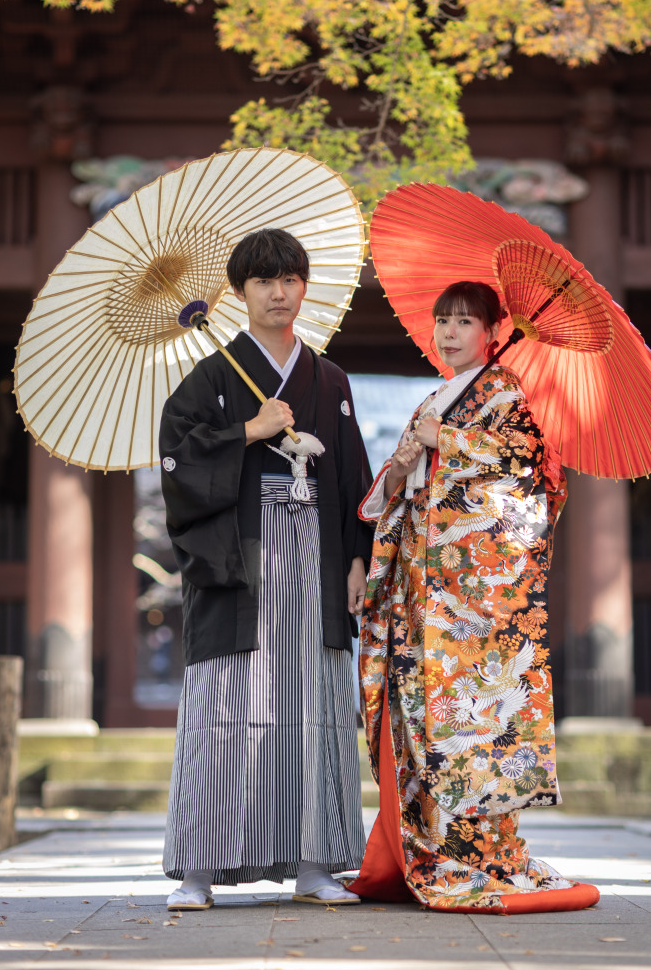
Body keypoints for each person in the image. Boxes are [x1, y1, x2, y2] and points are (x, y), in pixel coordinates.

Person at [349, 281, 599, 913]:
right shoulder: (435, 399)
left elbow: (532, 466)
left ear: (492, 333)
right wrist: (402, 466)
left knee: (473, 716)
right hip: (419, 591)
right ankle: (425, 846)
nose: (450, 332)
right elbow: (393, 496)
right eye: (443, 321)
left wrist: (451, 442)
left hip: (475, 605)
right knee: (418, 713)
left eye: (464, 321)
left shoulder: (509, 394)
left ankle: (479, 853)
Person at [159, 227, 372, 908]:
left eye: (289, 279)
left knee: (311, 707)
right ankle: (199, 869)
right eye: (263, 281)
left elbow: (355, 477)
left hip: (316, 560)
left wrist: (358, 559)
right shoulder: (212, 377)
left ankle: (314, 864)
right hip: (241, 565)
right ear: (239, 292)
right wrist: (249, 430)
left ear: (303, 287)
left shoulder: (330, 380)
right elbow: (178, 463)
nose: (279, 293)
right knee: (227, 707)